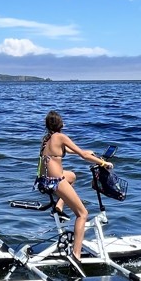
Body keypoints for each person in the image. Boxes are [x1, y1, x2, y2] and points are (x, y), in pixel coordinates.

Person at [35, 111, 112, 261]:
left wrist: (87, 152)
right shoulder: (61, 136)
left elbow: (71, 151)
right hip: (55, 182)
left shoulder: (48, 139)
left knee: (72, 176)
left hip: (44, 180)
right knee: (83, 214)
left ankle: (59, 208)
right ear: (60, 124)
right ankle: (76, 255)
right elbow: (83, 156)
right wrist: (103, 163)